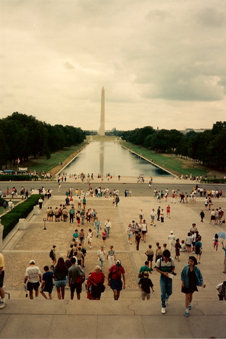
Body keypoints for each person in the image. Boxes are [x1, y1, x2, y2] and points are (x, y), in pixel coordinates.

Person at [155, 249, 175, 314]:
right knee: (163, 292)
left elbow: (173, 267)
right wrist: (163, 273)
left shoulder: (171, 260)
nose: (166, 259)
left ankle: (166, 297)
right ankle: (163, 306)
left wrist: (171, 272)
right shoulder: (159, 261)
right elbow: (156, 268)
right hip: (163, 278)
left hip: (169, 277)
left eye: (167, 258)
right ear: (163, 256)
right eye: (165, 258)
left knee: (170, 292)